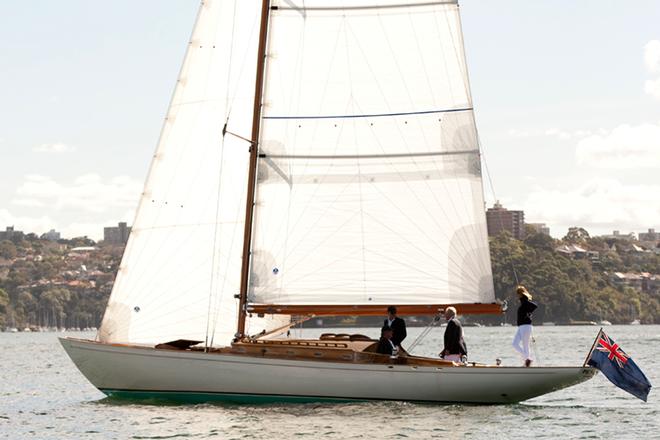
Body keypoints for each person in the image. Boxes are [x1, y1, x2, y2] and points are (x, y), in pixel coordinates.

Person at [512, 285, 538, 367]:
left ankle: (527, 361)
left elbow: (534, 306)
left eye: (518, 293)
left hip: (526, 326)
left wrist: (528, 313)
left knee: (525, 345)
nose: (517, 295)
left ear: (521, 294)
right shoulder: (523, 302)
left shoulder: (525, 302)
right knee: (515, 344)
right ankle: (527, 359)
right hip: (521, 327)